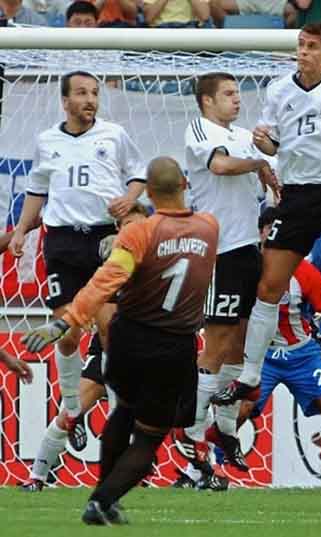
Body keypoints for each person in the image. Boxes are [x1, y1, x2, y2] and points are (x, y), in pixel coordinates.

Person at [21, 157, 219, 525]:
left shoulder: (138, 235)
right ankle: (103, 499)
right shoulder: (209, 228)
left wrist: (65, 322)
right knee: (148, 436)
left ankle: (103, 498)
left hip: (126, 339)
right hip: (174, 343)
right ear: (184, 186)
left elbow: (104, 283)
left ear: (149, 193)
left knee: (124, 410)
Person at [211, 23, 321, 408]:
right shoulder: (278, 90)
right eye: (301, 45)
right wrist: (264, 143)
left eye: (312, 46)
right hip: (295, 196)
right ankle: (250, 374)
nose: (304, 52)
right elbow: (274, 142)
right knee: (268, 288)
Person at [9, 70, 145, 453]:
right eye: (82, 93)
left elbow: (138, 175)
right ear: (65, 101)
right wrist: (21, 231)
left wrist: (129, 198)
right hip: (63, 244)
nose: (90, 100)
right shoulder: (47, 141)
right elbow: (36, 189)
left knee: (110, 330)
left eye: (95, 94)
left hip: (104, 240)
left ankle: (121, 417)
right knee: (67, 332)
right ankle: (71, 406)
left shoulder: (114, 135)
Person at [179, 72, 278, 471]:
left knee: (238, 344)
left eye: (238, 93)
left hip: (247, 247)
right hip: (217, 249)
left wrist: (268, 155)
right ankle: (189, 431)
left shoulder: (243, 136)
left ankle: (225, 429)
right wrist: (257, 162)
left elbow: (271, 165)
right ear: (207, 100)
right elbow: (219, 167)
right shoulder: (199, 130)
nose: (237, 100)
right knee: (217, 341)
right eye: (228, 94)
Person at [232, 208, 321, 490]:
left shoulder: (304, 272)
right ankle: (208, 467)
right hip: (262, 357)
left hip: (301, 354)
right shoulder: (246, 270)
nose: (273, 238)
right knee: (239, 410)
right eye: (267, 231)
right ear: (259, 234)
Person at [21, 204, 149, 493]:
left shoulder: (157, 259)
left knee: (142, 420)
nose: (132, 229)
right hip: (105, 352)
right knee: (69, 412)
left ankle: (133, 477)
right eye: (127, 223)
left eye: (138, 224)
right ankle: (36, 478)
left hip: (140, 350)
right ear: (118, 228)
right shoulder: (110, 258)